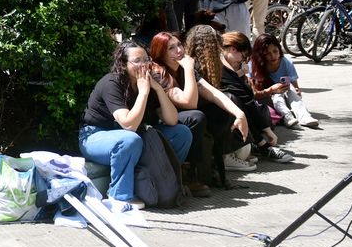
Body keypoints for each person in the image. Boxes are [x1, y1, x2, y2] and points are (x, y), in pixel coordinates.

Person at [77, 41, 193, 211]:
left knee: (181, 133)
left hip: (133, 137)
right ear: (123, 64)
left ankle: (164, 181)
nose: (143, 65)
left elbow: (172, 120)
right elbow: (128, 124)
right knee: (129, 140)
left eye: (146, 60)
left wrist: (158, 90)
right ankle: (119, 197)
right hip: (96, 136)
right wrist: (144, 93)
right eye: (137, 60)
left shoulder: (148, 81)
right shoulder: (112, 82)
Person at [147, 31, 248, 196]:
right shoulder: (158, 72)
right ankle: (189, 173)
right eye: (171, 48)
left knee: (222, 109)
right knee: (196, 117)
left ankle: (217, 163)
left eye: (179, 45)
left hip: (182, 116)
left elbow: (212, 92)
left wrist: (240, 114)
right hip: (163, 122)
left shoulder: (182, 66)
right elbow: (189, 102)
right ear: (161, 54)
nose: (179, 51)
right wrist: (188, 69)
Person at [182, 24, 254, 180]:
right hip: (191, 112)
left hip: (201, 110)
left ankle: (227, 154)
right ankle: (225, 155)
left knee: (229, 101)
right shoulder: (189, 65)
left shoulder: (202, 65)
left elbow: (212, 92)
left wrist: (239, 113)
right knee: (226, 103)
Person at [217, 31, 294, 164]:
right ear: (233, 49)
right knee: (241, 102)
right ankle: (262, 145)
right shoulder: (221, 66)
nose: (242, 60)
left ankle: (259, 142)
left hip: (247, 107)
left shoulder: (229, 64)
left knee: (260, 109)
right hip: (227, 112)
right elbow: (245, 98)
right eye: (243, 56)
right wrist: (266, 131)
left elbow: (248, 95)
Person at [249, 33, 319, 128]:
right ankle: (286, 116)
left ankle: (304, 116)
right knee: (277, 96)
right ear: (261, 55)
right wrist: (271, 90)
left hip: (283, 94)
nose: (273, 56)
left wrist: (297, 90)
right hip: (265, 98)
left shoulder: (286, 62)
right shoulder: (253, 65)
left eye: (275, 51)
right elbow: (254, 94)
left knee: (291, 91)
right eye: (268, 54)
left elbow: (294, 83)